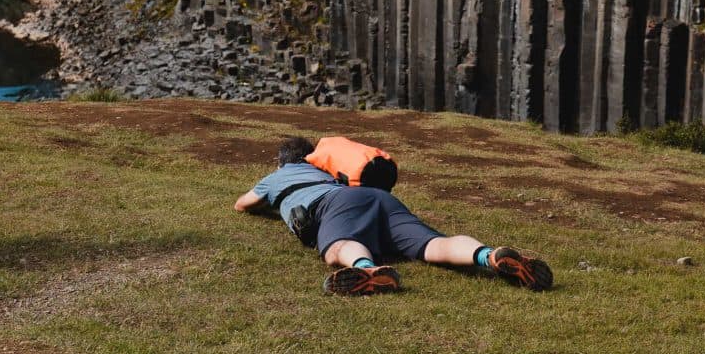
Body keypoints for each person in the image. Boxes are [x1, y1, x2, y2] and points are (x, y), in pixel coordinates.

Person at [234, 136, 553, 295]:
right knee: (433, 245)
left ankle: (368, 270)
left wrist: (273, 198)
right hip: (378, 198)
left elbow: (243, 204)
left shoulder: (279, 175)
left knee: (338, 246)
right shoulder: (327, 171)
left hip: (337, 203)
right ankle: (488, 255)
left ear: (281, 161)